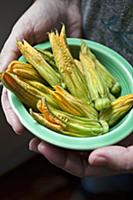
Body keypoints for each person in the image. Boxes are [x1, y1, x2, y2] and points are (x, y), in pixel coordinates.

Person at [1, 0, 133, 194]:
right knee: (86, 171)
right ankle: (81, 189)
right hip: (86, 36)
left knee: (110, 179)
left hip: (122, 138)